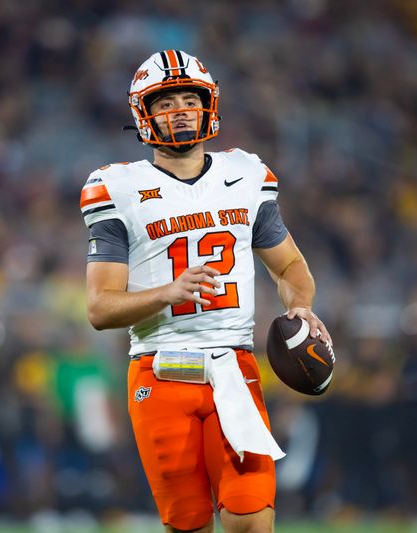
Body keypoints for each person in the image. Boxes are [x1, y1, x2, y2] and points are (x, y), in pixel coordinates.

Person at [81, 50, 332, 533]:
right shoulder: (116, 187)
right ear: (144, 114)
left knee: (251, 521)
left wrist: (301, 306)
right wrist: (165, 293)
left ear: (207, 104)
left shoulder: (245, 175)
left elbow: (290, 266)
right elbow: (99, 308)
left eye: (187, 98)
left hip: (233, 368)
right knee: (189, 527)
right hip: (159, 372)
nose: (179, 109)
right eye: (165, 101)